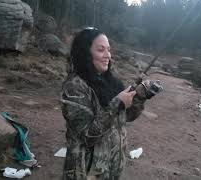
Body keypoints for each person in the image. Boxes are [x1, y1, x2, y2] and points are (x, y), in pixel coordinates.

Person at [61, 27, 161, 180]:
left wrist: (140, 95)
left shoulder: (110, 81)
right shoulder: (75, 88)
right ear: (85, 53)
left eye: (108, 49)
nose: (107, 55)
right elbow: (87, 136)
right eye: (101, 50)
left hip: (111, 168)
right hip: (86, 172)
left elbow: (126, 116)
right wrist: (117, 104)